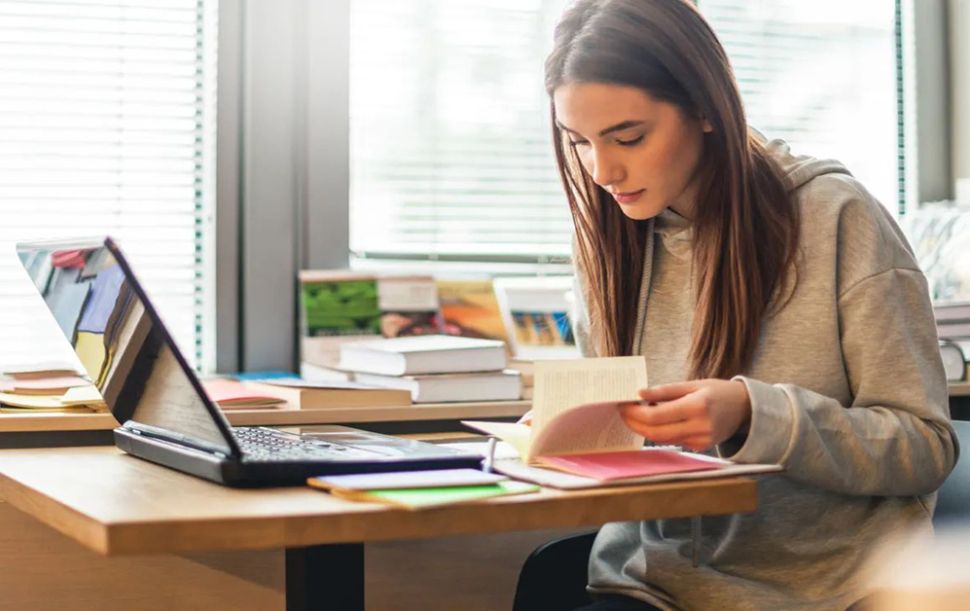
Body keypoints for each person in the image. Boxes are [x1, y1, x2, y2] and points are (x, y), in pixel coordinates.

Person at [542, 0, 959, 609]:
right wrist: (569, 438)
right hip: (651, 587)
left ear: (707, 109)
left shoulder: (835, 217)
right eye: (578, 142)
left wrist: (754, 416)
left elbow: (923, 448)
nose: (602, 170)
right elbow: (627, 451)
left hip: (824, 593)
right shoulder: (609, 242)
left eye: (627, 137)